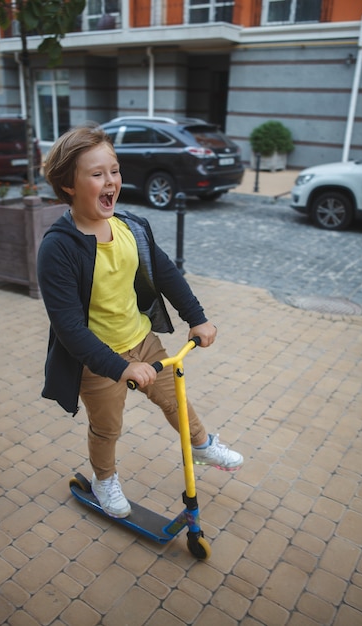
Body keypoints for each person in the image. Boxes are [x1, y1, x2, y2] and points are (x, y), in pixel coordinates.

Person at [37, 124, 243, 519]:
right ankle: (104, 479)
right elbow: (69, 329)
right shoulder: (59, 248)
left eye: (113, 170)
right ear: (67, 184)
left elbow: (166, 274)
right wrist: (120, 367)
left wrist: (197, 318)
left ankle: (201, 446)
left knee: (175, 399)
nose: (110, 181)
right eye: (97, 174)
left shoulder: (130, 227)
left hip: (143, 340)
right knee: (107, 428)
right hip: (97, 359)